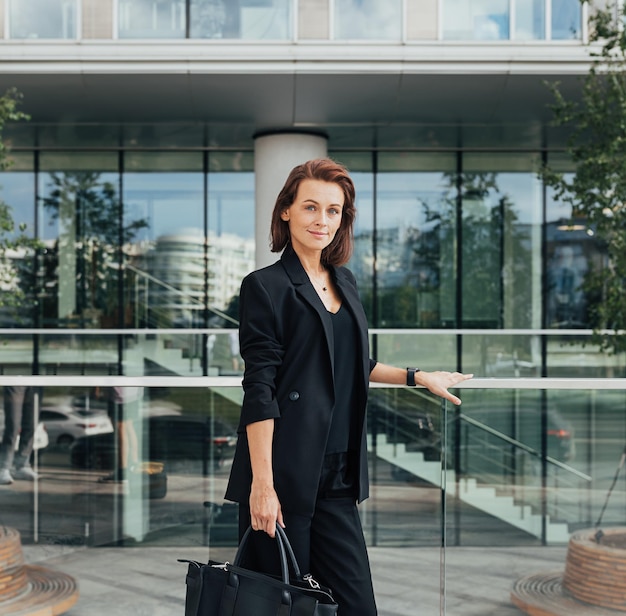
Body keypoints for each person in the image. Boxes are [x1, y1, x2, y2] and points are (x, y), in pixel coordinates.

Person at [224, 158, 473, 615]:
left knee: (357, 605)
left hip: (336, 473)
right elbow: (259, 388)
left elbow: (355, 362)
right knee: (283, 606)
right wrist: (263, 484)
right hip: (283, 475)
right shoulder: (266, 287)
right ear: (286, 211)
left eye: (334, 211)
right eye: (311, 208)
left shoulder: (346, 281)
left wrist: (419, 377)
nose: (322, 221)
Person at [0, 386, 42, 484]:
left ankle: (22, 465)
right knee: (13, 426)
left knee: (31, 425)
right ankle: (4, 467)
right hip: (16, 378)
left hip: (35, 378)